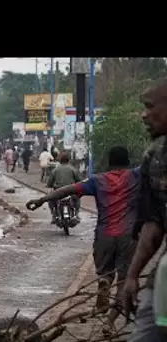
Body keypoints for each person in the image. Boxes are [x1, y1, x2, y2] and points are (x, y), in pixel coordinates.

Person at [26, 146, 140, 332]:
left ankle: (104, 281)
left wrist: (42, 200)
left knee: (105, 273)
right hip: (128, 236)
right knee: (124, 281)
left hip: (104, 236)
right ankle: (110, 323)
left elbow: (66, 190)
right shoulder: (136, 176)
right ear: (127, 161)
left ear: (109, 162)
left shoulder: (98, 180)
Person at [122, 78, 167, 342]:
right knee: (147, 329)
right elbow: (154, 224)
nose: (144, 115)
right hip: (163, 272)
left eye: (151, 107)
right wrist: (132, 276)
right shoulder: (156, 155)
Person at [46, 152, 81, 222]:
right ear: (68, 160)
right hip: (71, 191)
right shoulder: (73, 169)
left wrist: (49, 185)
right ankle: (76, 214)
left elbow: (50, 182)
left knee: (50, 200)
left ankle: (53, 215)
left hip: (58, 191)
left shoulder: (55, 170)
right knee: (78, 198)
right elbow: (78, 180)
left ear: (59, 160)